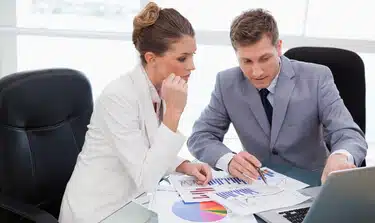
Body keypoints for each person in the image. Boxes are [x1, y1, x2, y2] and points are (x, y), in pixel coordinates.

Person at [59, 2, 212, 222]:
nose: (192, 66)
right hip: (98, 212)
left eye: (192, 55)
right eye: (182, 58)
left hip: (133, 207)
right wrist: (174, 115)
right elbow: (146, 179)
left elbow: (148, 148)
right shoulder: (118, 96)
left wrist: (182, 165)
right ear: (151, 58)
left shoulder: (162, 88)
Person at [187, 9, 367, 185]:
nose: (256, 72)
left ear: (279, 47)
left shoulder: (317, 77)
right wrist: (228, 160)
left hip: (312, 185)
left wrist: (340, 156)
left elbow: (348, 133)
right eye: (247, 61)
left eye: (264, 58)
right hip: (258, 187)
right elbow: (200, 136)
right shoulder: (227, 82)